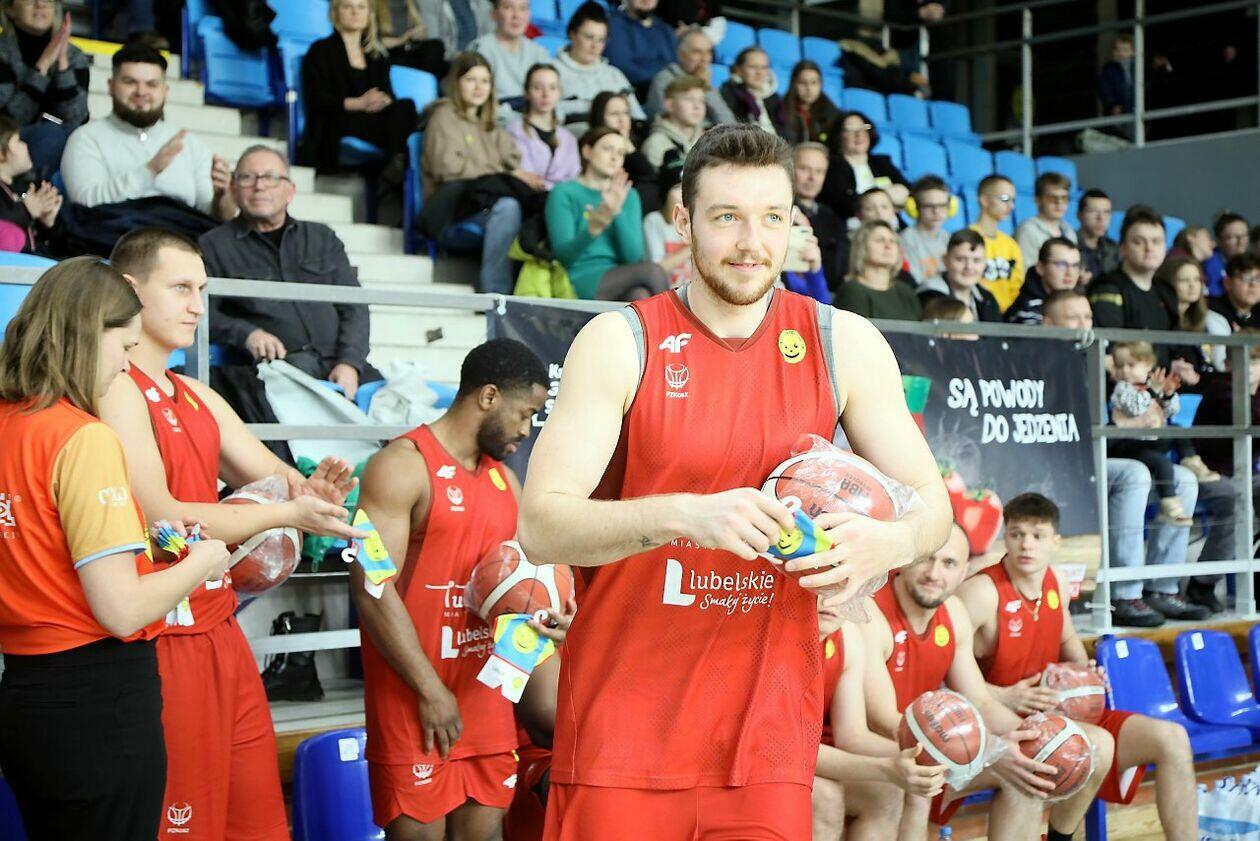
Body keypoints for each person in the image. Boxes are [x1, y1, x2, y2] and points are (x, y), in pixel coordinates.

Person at [517, 124, 952, 840]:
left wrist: (889, 542)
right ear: (683, 222)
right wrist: (685, 515)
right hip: (624, 732)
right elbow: (541, 525)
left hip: (766, 741)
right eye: (726, 217)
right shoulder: (621, 341)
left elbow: (933, 508)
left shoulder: (844, 342)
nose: (752, 242)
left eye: (772, 218)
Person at [101, 228, 365, 841]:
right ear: (129, 290)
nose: (198, 305)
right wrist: (284, 513)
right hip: (160, 634)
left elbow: (278, 480)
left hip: (220, 628)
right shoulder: (115, 388)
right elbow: (163, 516)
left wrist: (312, 492)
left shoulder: (196, 393)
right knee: (186, 825)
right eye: (181, 288)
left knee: (257, 822)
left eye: (202, 290)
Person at [0, 256, 231, 841]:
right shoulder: (83, 437)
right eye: (124, 347)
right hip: (96, 700)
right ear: (85, 334)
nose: (127, 367)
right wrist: (205, 561)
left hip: (24, 693)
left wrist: (158, 547)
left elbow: (44, 542)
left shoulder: (10, 422)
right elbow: (122, 609)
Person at [351, 339, 549, 840]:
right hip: (415, 702)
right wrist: (430, 690)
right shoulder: (401, 465)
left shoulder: (506, 482)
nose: (526, 430)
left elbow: (526, 584)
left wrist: (549, 619)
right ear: (488, 396)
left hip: (485, 705)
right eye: (524, 413)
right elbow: (372, 589)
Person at [960, 493, 1201, 841]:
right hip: (1003, 721)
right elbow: (945, 671)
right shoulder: (982, 592)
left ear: (1055, 542)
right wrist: (1003, 695)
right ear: (1005, 538)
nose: (1026, 544)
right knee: (1095, 745)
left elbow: (1067, 638)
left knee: (1172, 738)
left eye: (1037, 535)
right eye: (1017, 534)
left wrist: (1086, 673)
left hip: (1056, 711)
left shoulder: (1056, 582)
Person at [862, 525, 1108, 841]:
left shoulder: (953, 612)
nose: (934, 573)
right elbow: (884, 720)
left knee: (1027, 768)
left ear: (964, 572)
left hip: (936, 743)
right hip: (880, 747)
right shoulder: (873, 614)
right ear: (905, 559)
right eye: (925, 559)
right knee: (915, 790)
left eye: (949, 563)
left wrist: (1035, 739)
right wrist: (990, 751)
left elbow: (980, 700)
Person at [199, 146, 382, 399]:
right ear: (233, 188)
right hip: (280, 369)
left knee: (398, 405)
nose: (259, 186)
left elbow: (354, 306)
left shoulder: (322, 238)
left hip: (340, 364)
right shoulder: (214, 245)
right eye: (247, 177)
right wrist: (247, 333)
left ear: (290, 191)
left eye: (270, 177)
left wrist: (349, 363)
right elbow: (202, 310)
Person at [812, 597, 947, 841]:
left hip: (807, 754)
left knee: (889, 792)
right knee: (826, 798)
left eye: (841, 588)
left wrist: (923, 756)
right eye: (822, 588)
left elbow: (852, 736)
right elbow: (786, 751)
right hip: (758, 763)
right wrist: (887, 768)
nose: (831, 600)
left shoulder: (848, 636)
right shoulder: (777, 639)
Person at [61, 43, 236, 221]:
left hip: (183, 235)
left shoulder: (189, 144)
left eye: (152, 84)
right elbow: (86, 206)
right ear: (111, 86)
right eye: (130, 82)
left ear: (165, 91)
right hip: (112, 235)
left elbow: (219, 219)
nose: (141, 92)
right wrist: (150, 170)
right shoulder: (86, 139)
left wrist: (222, 196)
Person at [421, 52, 530, 295]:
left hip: (482, 202)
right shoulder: (443, 116)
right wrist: (502, 174)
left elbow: (514, 159)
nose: (479, 88)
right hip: (451, 209)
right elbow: (448, 169)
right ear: (456, 83)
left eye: (485, 81)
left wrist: (508, 174)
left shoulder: (490, 124)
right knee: (508, 207)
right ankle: (496, 295)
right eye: (471, 80)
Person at [299, 0, 419, 182]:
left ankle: (396, 166)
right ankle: (396, 172)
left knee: (406, 106)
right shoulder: (320, 50)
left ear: (369, 14)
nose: (355, 12)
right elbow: (316, 99)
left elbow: (388, 95)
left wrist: (384, 100)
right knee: (402, 128)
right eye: (348, 6)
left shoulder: (376, 55)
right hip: (337, 122)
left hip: (371, 121)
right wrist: (359, 103)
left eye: (361, 7)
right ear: (335, 13)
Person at [546, 126, 668, 300]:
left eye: (620, 153)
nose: (614, 157)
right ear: (587, 151)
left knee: (639, 295)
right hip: (580, 275)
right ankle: (679, 319)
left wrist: (615, 212)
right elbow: (564, 257)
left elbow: (633, 257)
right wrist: (592, 229)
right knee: (653, 271)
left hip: (621, 274)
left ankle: (674, 319)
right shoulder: (564, 192)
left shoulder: (629, 195)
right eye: (607, 149)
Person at [1107, 340, 1192, 525]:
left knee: (1177, 430)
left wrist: (1168, 394)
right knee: (1161, 463)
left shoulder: (1152, 386)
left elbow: (1171, 411)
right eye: (1120, 366)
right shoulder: (1122, 388)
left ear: (1148, 364)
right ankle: (1169, 503)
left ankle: (1192, 460)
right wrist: (1153, 392)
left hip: (1152, 439)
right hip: (1131, 445)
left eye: (1131, 365)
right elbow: (1136, 408)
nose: (1125, 371)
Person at [0, 0, 89, 178]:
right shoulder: (3, 52)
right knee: (50, 134)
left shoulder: (74, 56)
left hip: (57, 148)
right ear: (10, 9)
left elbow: (77, 119)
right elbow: (8, 122)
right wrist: (43, 66)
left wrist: (63, 65)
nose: (40, 4)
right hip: (9, 144)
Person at [1088, 207, 1179, 360]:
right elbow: (1111, 349)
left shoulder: (1166, 291)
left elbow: (1178, 344)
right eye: (1139, 242)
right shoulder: (1107, 287)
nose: (1149, 248)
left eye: (1156, 241)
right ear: (1122, 248)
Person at [554, 2, 644, 135]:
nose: (594, 45)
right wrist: (588, 106)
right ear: (572, 34)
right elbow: (542, 109)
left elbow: (638, 118)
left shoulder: (614, 75)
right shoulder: (552, 71)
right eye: (589, 37)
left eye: (601, 40)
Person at [820, 110, 909, 218]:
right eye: (850, 129)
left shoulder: (882, 163)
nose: (859, 134)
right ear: (838, 136)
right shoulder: (832, 167)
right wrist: (888, 195)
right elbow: (843, 203)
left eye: (863, 128)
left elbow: (909, 191)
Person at [0, 114, 66, 256]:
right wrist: (28, 211)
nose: (25, 145)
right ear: (1, 152)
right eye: (18, 141)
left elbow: (59, 249)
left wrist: (49, 224)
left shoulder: (23, 188)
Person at [506, 63, 580, 190]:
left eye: (552, 88)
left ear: (560, 93)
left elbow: (575, 179)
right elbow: (529, 179)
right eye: (537, 87)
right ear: (526, 92)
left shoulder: (568, 139)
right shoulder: (514, 130)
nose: (546, 94)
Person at [834, 219, 922, 321]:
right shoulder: (852, 291)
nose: (888, 246)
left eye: (892, 241)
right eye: (880, 240)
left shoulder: (906, 292)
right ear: (862, 247)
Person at [644, 26, 734, 124]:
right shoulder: (664, 79)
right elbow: (662, 120)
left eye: (708, 52)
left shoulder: (705, 78)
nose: (705, 58)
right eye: (697, 52)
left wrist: (706, 86)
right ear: (681, 54)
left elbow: (728, 122)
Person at [589, 90, 658, 211]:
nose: (622, 119)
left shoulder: (640, 139)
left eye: (625, 113)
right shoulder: (592, 146)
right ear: (600, 118)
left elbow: (649, 176)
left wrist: (628, 146)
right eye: (614, 114)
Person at [470, 0, 550, 105]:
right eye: (508, 7)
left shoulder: (539, 52)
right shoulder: (481, 50)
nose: (516, 15)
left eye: (523, 8)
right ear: (494, 14)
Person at [917, 229, 1002, 322]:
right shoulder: (928, 297)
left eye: (976, 260)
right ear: (945, 260)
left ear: (985, 263)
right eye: (960, 259)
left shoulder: (988, 298)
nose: (969, 267)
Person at [792, 141, 844, 289]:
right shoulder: (778, 211)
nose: (812, 177)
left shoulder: (832, 216)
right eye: (804, 169)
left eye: (819, 171)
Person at [968, 174, 1023, 312]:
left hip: (1007, 317)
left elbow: (1017, 286)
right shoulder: (967, 239)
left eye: (1013, 200)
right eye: (1005, 199)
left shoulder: (1010, 244)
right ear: (985, 200)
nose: (1011, 206)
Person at [603, 0, 677, 93]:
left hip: (672, 90)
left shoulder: (665, 29)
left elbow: (676, 64)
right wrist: (663, 79)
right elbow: (623, 68)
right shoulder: (614, 25)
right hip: (635, 93)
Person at [1005, 237, 1082, 325]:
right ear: (1041, 268)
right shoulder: (1026, 311)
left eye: (1075, 265)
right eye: (1061, 264)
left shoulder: (1081, 302)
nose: (1070, 272)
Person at [640, 74, 706, 168]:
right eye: (689, 99)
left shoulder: (709, 142)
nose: (697, 106)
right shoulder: (655, 144)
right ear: (669, 105)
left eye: (701, 100)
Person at [371, 0, 449, 78]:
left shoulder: (410, 3)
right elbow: (376, 41)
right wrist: (404, 38)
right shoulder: (376, 4)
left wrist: (419, 33)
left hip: (412, 49)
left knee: (436, 46)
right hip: (391, 52)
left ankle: (426, 82)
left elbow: (419, 29)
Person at [1014, 172, 1077, 269]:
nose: (1059, 202)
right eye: (1052, 198)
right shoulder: (1028, 230)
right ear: (1038, 200)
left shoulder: (1069, 231)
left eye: (1064, 198)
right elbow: (1026, 272)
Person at [901, 175, 952, 285]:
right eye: (929, 206)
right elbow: (916, 281)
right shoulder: (907, 239)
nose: (936, 211)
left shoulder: (948, 238)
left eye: (942, 205)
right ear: (915, 207)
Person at [718, 46, 780, 134]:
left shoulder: (773, 97)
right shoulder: (728, 94)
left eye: (764, 67)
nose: (759, 72)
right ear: (738, 69)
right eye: (753, 67)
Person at [778, 59, 841, 145]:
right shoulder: (781, 110)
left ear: (821, 84)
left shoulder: (833, 114)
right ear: (794, 84)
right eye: (802, 83)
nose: (809, 88)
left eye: (814, 83)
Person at [643, 180, 691, 288]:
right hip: (664, 290)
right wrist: (692, 248)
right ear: (666, 191)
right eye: (677, 187)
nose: (685, 193)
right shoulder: (654, 220)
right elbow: (657, 269)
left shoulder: (698, 220)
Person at [1076, 188, 1119, 286]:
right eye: (1093, 211)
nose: (1101, 218)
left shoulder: (1113, 248)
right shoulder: (1069, 245)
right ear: (1079, 215)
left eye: (1106, 212)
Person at [1208, 252, 1260, 332]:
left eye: (1258, 279)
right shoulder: (1213, 311)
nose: (1253, 284)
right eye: (1246, 277)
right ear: (1227, 283)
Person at [1204, 211, 1250, 295]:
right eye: (1233, 237)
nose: (1241, 242)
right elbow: (1215, 296)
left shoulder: (1251, 262)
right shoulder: (1209, 264)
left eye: (1244, 235)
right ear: (1218, 240)